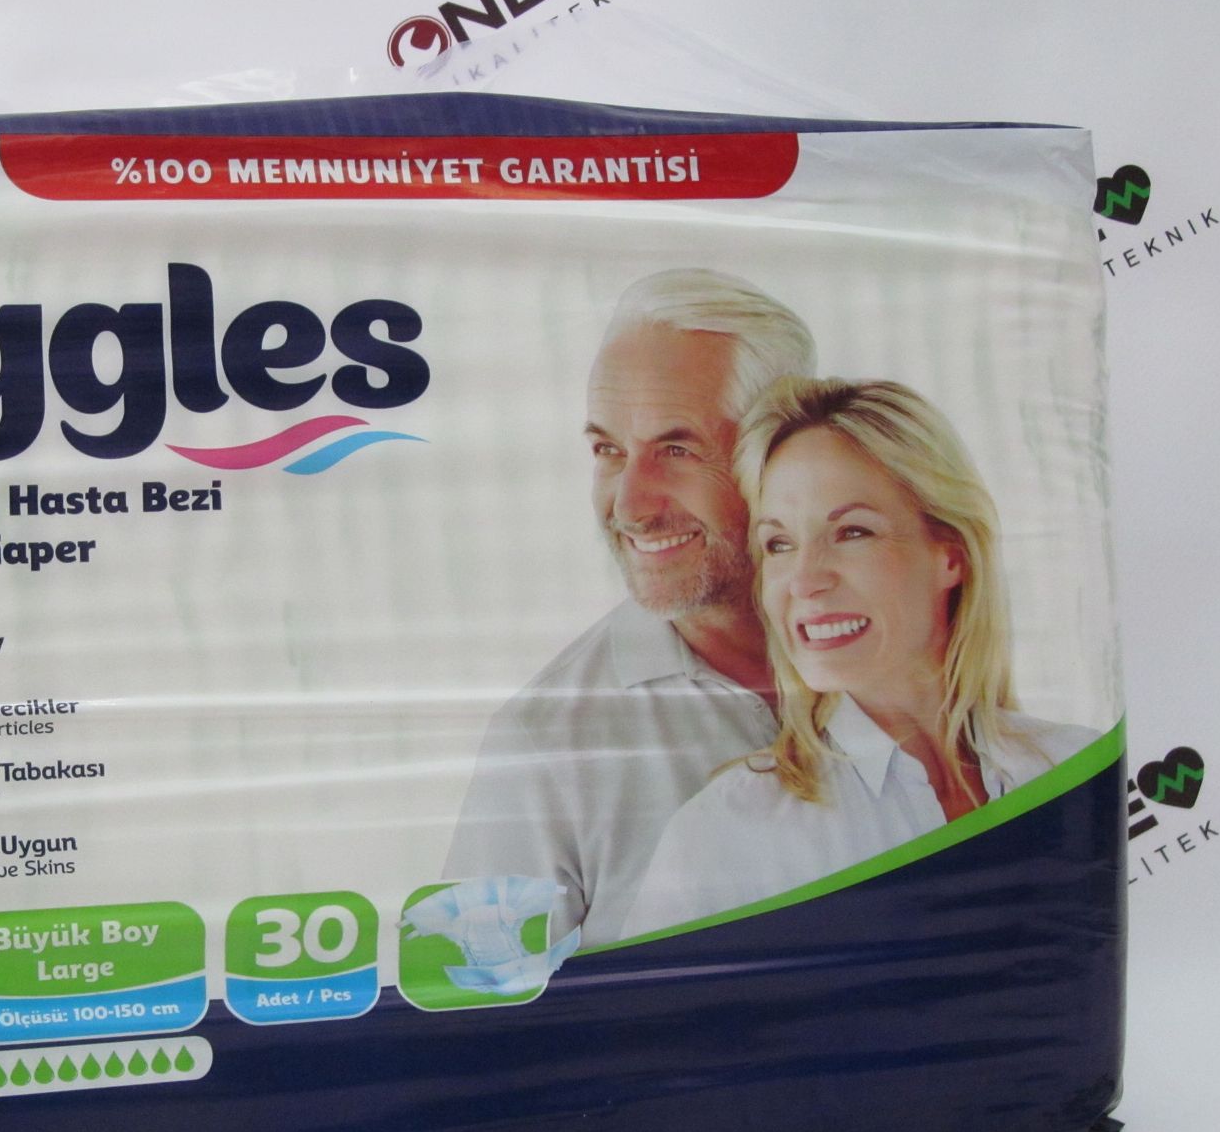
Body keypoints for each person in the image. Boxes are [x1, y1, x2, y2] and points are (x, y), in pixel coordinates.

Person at [620, 377, 1095, 937]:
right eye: (778, 544)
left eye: (851, 532)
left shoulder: (1080, 772)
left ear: (951, 555)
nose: (805, 580)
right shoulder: (724, 837)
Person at [444, 269, 816, 949]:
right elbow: (479, 1000)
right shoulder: (550, 740)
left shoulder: (908, 662)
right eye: (608, 451)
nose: (630, 506)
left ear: (783, 454)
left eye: (677, 449)